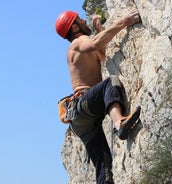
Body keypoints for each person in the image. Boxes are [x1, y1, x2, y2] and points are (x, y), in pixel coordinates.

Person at [55, 9, 141, 184]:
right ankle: (120, 122)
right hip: (84, 105)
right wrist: (124, 21)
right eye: (80, 19)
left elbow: (101, 54)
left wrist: (100, 28)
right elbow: (94, 44)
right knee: (111, 82)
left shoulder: (79, 46)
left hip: (80, 119)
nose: (84, 21)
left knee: (104, 167)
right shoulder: (78, 42)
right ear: (74, 29)